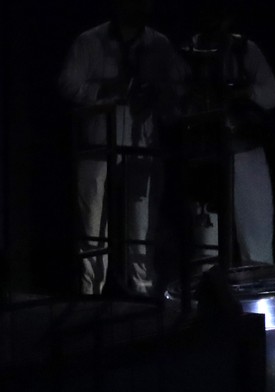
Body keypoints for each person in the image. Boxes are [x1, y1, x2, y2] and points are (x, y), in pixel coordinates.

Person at [58, 0, 182, 296]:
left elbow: (179, 87)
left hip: (142, 146)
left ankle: (141, 293)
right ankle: (90, 294)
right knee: (92, 225)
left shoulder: (159, 44)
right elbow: (67, 84)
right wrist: (106, 90)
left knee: (141, 227)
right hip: (97, 144)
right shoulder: (90, 40)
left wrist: (159, 94)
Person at [180, 0, 275, 267]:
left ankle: (259, 303)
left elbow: (271, 95)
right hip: (204, 155)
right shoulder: (186, 52)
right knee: (206, 246)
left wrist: (243, 92)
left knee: (256, 240)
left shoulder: (244, 50)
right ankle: (208, 302)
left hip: (244, 151)